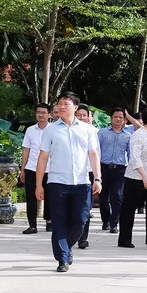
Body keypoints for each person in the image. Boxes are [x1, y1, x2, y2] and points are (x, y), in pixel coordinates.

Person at [35, 92, 101, 273]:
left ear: (76, 107)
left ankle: (67, 247)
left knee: (81, 220)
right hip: (57, 182)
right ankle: (62, 258)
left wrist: (97, 178)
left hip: (81, 182)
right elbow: (43, 158)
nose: (61, 107)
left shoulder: (87, 130)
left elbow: (93, 155)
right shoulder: (51, 130)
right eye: (59, 104)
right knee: (59, 222)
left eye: (66, 103)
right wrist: (38, 184)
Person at [117, 107, 147, 249]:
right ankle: (124, 239)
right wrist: (144, 176)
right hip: (136, 178)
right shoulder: (138, 136)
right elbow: (135, 158)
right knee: (129, 209)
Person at [19, 102, 51, 234]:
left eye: (44, 112)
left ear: (49, 114)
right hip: (32, 168)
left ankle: (50, 222)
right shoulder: (30, 130)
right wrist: (22, 169)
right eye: (39, 112)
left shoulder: (54, 129)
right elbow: (26, 149)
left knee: (50, 196)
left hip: (50, 168)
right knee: (31, 197)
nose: (41, 115)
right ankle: (32, 224)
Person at [98, 107, 130, 234]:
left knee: (117, 196)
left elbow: (131, 153)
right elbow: (96, 150)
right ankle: (105, 220)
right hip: (103, 167)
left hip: (120, 169)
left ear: (124, 120)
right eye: (115, 117)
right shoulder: (102, 133)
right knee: (103, 197)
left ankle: (114, 223)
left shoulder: (128, 136)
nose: (117, 119)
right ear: (111, 118)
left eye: (120, 117)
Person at [75, 104, 96, 249]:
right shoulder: (68, 131)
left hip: (90, 173)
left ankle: (83, 238)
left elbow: (97, 155)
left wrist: (99, 177)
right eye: (79, 115)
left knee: (85, 208)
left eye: (85, 115)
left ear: (90, 117)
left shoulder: (95, 132)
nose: (82, 117)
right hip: (73, 173)